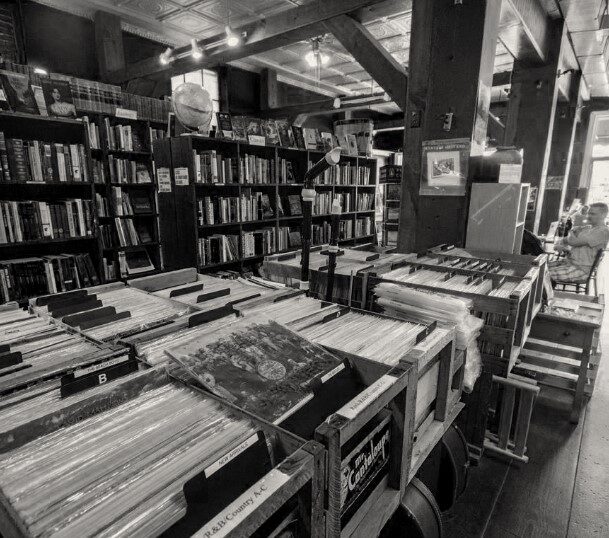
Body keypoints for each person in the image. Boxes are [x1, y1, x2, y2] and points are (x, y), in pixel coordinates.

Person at [548, 202, 609, 284]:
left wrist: (571, 235)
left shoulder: (603, 231)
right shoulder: (589, 228)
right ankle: (546, 291)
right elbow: (570, 241)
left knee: (542, 275)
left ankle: (545, 293)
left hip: (580, 270)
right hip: (569, 263)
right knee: (537, 268)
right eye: (588, 213)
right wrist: (564, 247)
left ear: (603, 215)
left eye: (593, 214)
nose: (588, 216)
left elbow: (574, 242)